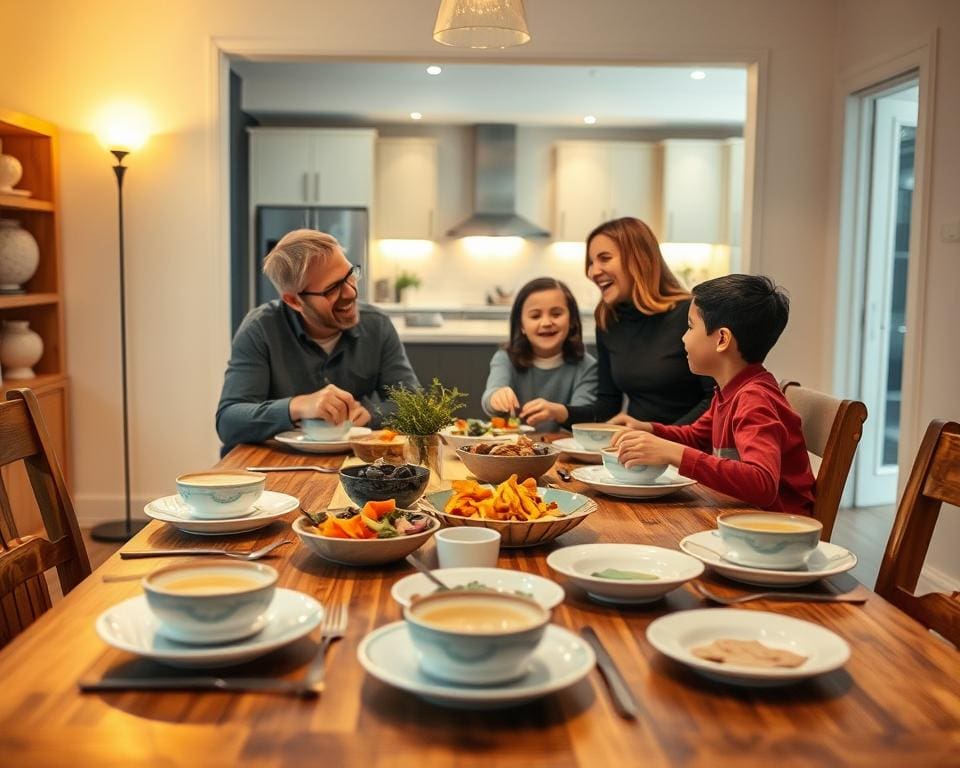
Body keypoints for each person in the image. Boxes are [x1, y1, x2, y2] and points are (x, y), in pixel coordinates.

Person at [612, 274, 815, 514]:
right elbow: (696, 437)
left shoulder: (754, 399)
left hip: (776, 532)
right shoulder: (732, 391)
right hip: (747, 520)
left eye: (690, 326)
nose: (683, 337)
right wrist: (649, 430)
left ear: (722, 339)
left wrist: (672, 452)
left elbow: (763, 483)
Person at [216, 229, 420, 454]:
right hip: (274, 468)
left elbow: (414, 404)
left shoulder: (377, 325)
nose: (351, 292)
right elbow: (228, 422)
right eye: (332, 288)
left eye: (350, 274)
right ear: (294, 301)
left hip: (352, 467)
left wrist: (372, 413)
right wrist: (298, 406)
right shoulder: (260, 329)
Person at [565, 217, 714, 429]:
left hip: (687, 452)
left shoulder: (691, 314)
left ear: (638, 259)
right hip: (638, 452)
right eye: (591, 263)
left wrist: (662, 437)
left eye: (604, 258)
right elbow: (608, 406)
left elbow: (716, 402)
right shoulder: (609, 321)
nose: (592, 272)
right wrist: (560, 412)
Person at [481, 277, 597, 432]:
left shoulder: (587, 366)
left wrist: (556, 411)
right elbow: (489, 398)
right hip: (513, 450)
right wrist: (496, 396)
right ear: (521, 325)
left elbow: (583, 419)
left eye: (556, 314)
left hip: (565, 451)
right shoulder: (505, 358)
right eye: (535, 316)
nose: (546, 323)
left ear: (572, 321)